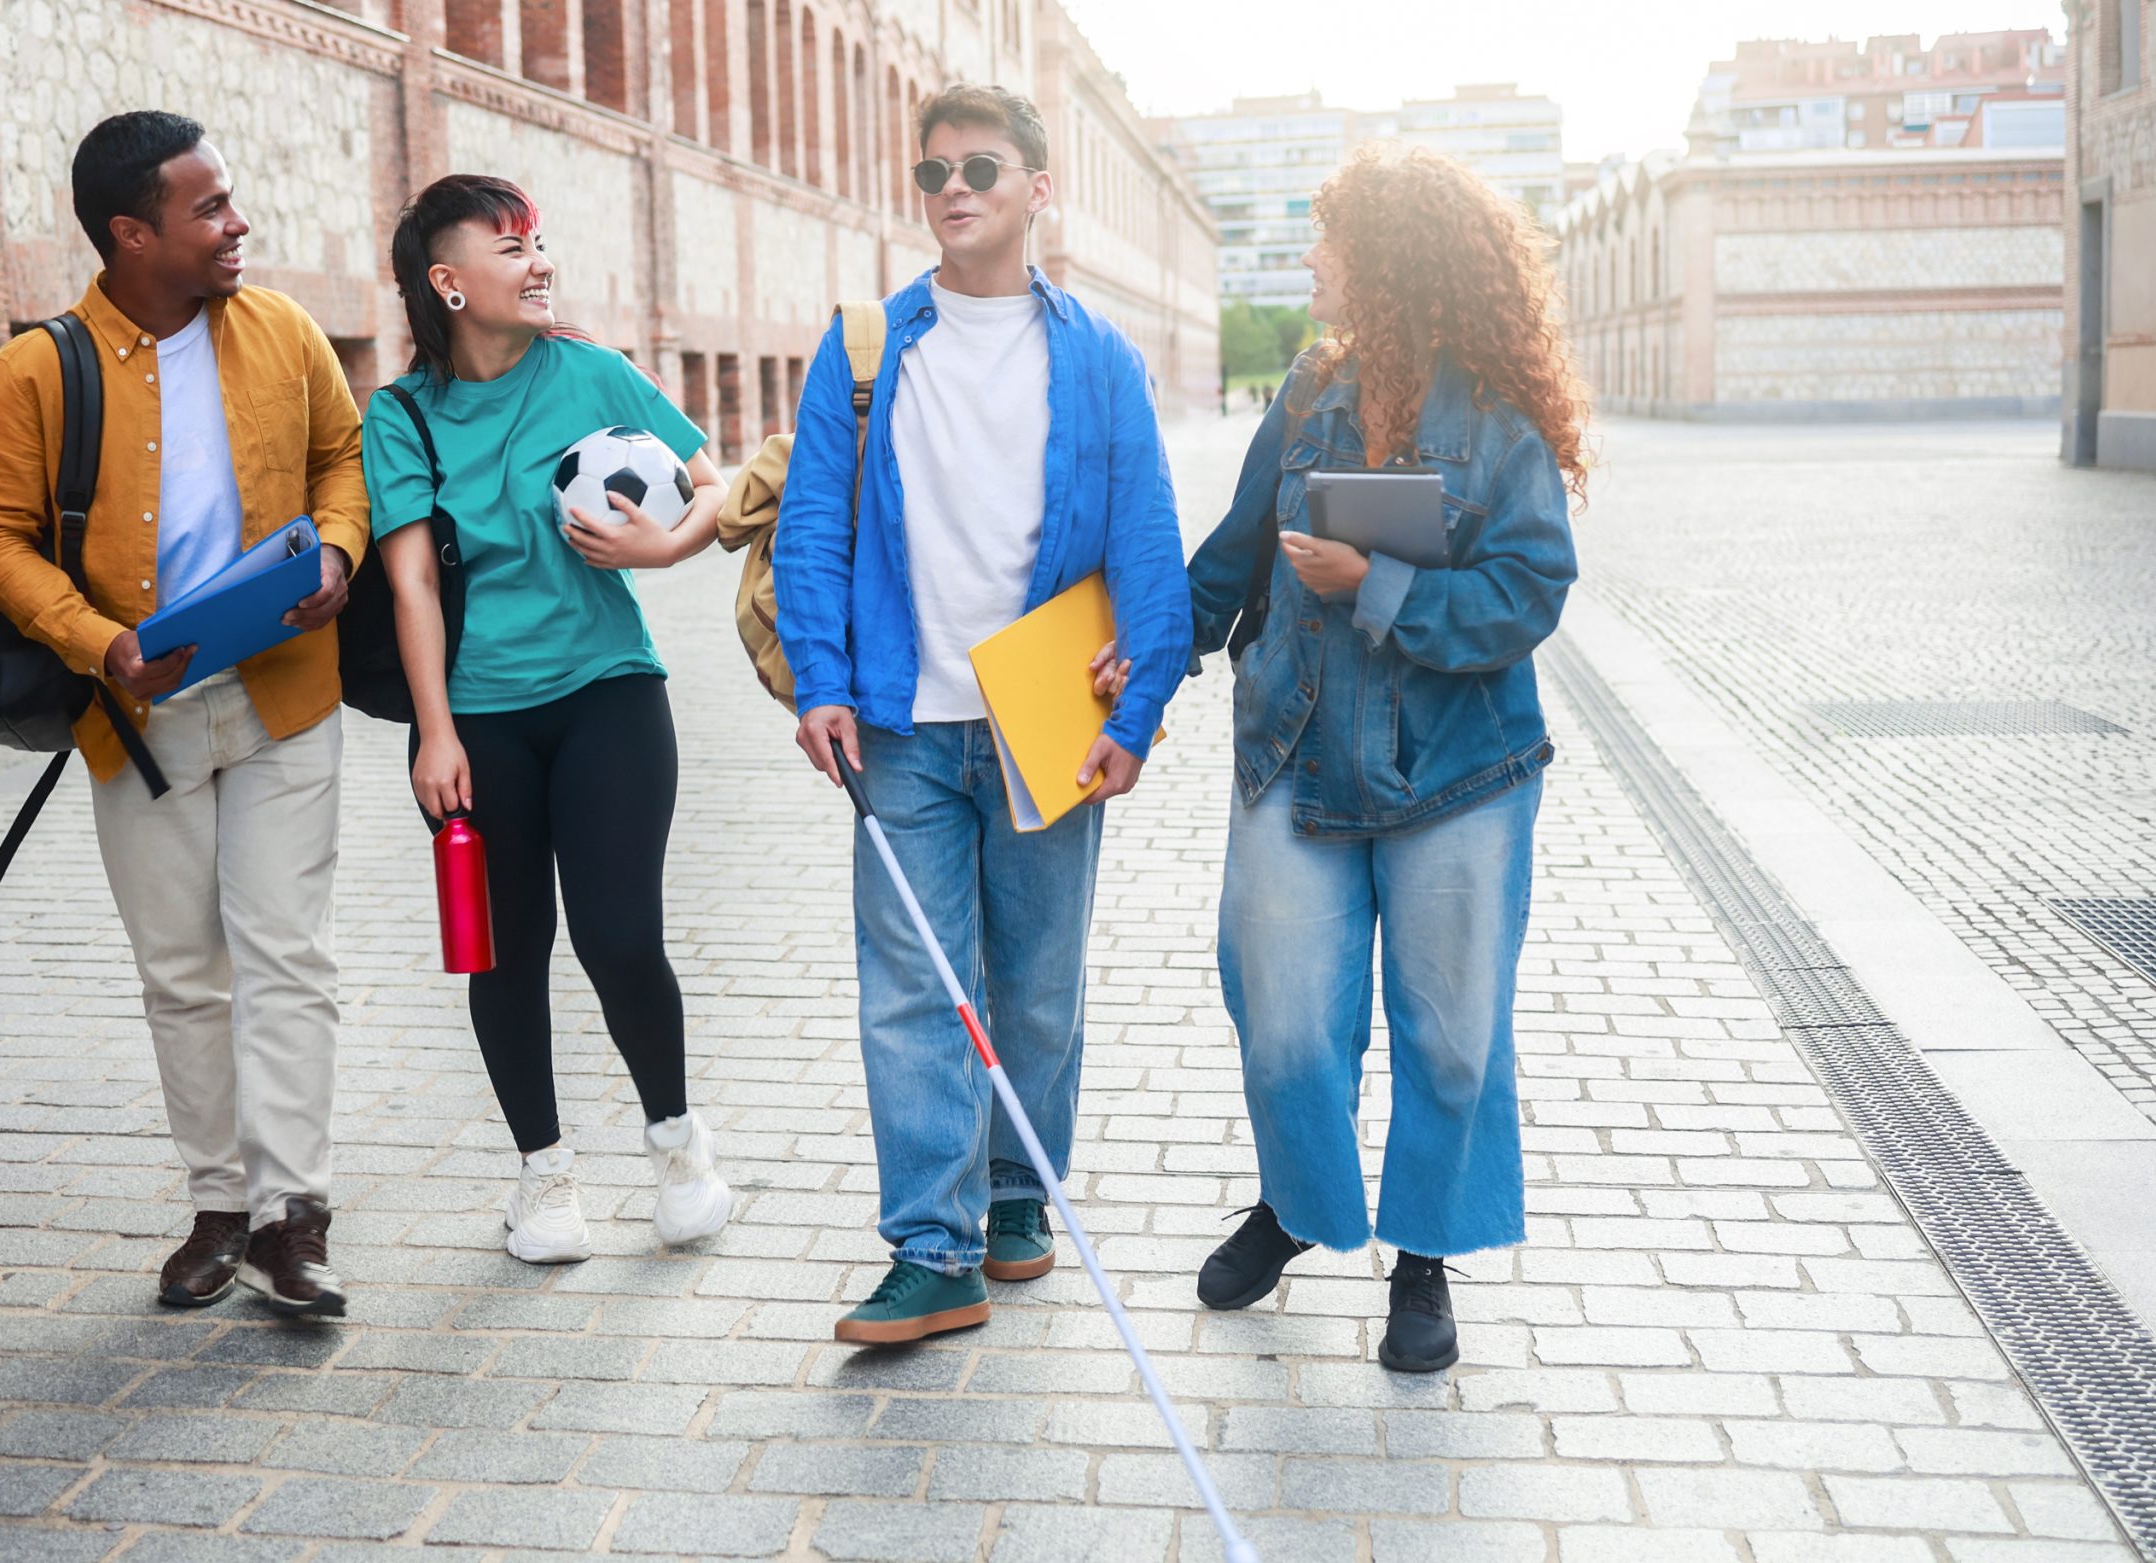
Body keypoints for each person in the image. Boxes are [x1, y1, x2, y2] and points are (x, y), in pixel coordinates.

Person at [777, 84, 1192, 1344]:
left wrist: (1142, 707)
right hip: (901, 728)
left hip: (1044, 719)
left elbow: (1147, 543)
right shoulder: (862, 347)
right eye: (935, 170)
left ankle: (1020, 1192)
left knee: (1038, 987)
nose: (953, 188)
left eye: (982, 168)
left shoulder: (1099, 357)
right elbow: (810, 530)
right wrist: (822, 682)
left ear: (1035, 190)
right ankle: (931, 1247)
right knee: (912, 985)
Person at [1184, 147, 1585, 1372]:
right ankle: (1300, 1209)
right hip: (1298, 753)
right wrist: (1140, 666)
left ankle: (1424, 1257)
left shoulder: (1498, 420)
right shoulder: (1308, 392)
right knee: (1289, 1024)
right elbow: (1230, 558)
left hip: (1460, 772)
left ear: (1392, 264)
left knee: (1452, 1032)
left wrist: (1379, 586)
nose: (1312, 259)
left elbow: (1530, 589)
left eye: (1330, 241)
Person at [0, 111, 368, 1317]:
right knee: (184, 972)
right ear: (133, 233)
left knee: (287, 955)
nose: (237, 224)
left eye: (230, 202)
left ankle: (296, 1215)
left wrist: (338, 548)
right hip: (134, 719)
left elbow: (344, 457)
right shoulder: (36, 370)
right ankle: (220, 1204)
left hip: (286, 696)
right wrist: (100, 642)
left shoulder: (285, 331)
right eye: (209, 208)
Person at [366, 174, 734, 1265]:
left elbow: (713, 487)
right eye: (512, 248)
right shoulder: (402, 418)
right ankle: (546, 1179)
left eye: (540, 243)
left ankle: (679, 1152)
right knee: (505, 955)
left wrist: (660, 547)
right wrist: (436, 733)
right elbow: (414, 588)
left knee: (620, 938)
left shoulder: (589, 371)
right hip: (480, 724)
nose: (539, 263)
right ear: (448, 282)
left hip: (610, 692)